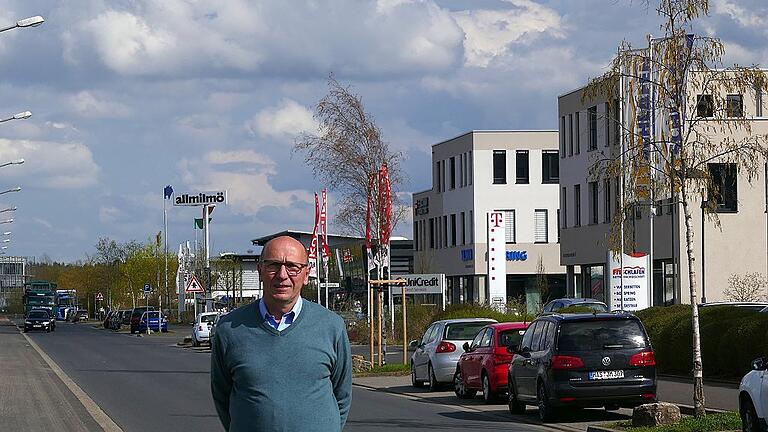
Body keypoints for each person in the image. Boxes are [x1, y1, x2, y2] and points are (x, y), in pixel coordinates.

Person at [211, 236, 352, 432]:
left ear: (306, 274)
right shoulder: (230, 329)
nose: (282, 275)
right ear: (260, 270)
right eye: (273, 265)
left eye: (293, 266)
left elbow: (342, 395)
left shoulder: (331, 326)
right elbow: (222, 395)